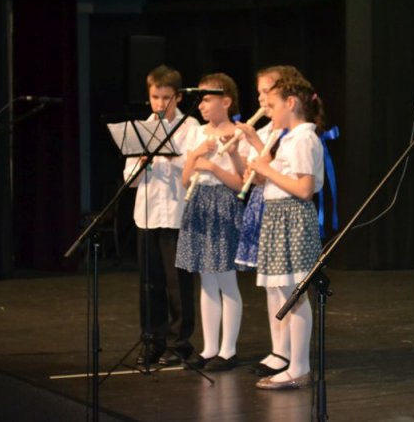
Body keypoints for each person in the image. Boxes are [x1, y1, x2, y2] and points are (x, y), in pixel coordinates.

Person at [237, 73, 325, 389]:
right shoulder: (289, 138)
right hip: (278, 216)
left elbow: (304, 189)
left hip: (293, 217)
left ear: (290, 103)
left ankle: (299, 367)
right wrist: (262, 171)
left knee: (295, 295)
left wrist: (266, 169)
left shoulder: (303, 138)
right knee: (285, 293)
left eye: (272, 105)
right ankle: (290, 361)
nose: (268, 111)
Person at [123, 65, 199, 366]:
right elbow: (129, 179)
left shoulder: (190, 127)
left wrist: (171, 156)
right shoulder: (141, 128)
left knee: (178, 284)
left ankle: (179, 343)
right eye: (155, 97)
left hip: (178, 214)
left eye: (166, 97)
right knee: (149, 283)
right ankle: (151, 340)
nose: (159, 103)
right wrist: (142, 162)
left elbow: (195, 170)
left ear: (178, 97)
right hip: (147, 214)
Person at [233, 66, 304, 378]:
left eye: (267, 92)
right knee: (271, 285)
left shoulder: (293, 134)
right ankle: (279, 349)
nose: (262, 99)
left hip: (284, 208)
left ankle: (291, 354)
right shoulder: (269, 130)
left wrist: (256, 147)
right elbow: (260, 176)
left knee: (287, 286)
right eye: (260, 92)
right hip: (264, 205)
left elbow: (286, 174)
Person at [175, 73, 245, 372]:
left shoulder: (239, 133)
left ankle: (228, 350)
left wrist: (215, 167)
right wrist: (195, 157)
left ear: (225, 101)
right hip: (198, 204)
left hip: (224, 205)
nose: (201, 106)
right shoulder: (196, 133)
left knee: (226, 279)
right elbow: (185, 179)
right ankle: (209, 347)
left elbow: (241, 184)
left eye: (205, 99)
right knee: (206, 280)